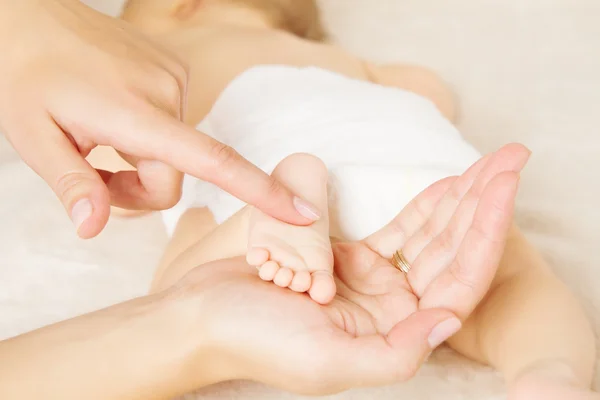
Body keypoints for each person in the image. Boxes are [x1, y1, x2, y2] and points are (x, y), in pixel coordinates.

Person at [88, 1, 595, 399]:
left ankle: (282, 205)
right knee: (515, 281)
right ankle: (547, 373)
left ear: (183, 5)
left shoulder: (158, 64)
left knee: (179, 294)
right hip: (420, 182)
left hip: (260, 179)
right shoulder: (345, 64)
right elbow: (429, 91)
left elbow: (122, 180)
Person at [0, 0, 321, 240]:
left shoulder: (159, 61)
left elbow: (116, 183)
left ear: (183, 5)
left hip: (263, 215)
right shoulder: (335, 62)